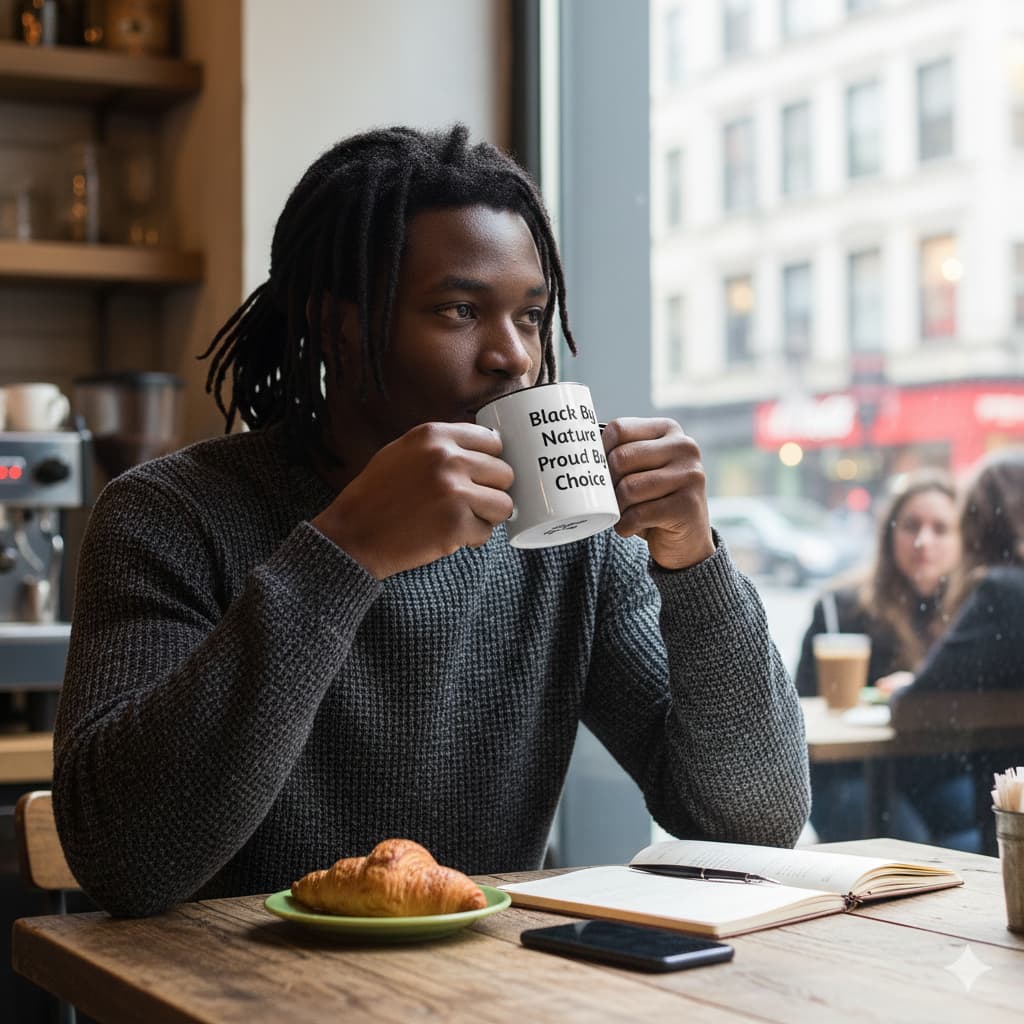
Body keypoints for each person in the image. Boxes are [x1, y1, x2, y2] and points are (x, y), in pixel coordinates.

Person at [52, 124, 809, 918]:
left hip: (485, 979)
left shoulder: (567, 540)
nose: (514, 356)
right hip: (229, 981)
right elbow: (125, 861)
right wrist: (345, 552)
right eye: (460, 310)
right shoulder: (170, 515)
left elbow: (751, 824)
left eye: (531, 315)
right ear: (338, 327)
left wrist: (693, 564)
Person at [794, 469, 968, 845]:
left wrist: (921, 689)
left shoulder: (972, 614)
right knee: (910, 846)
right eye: (911, 526)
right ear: (889, 534)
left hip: (931, 771)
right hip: (846, 774)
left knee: (979, 828)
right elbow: (800, 707)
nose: (923, 541)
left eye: (940, 529)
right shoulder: (842, 609)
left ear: (962, 540)